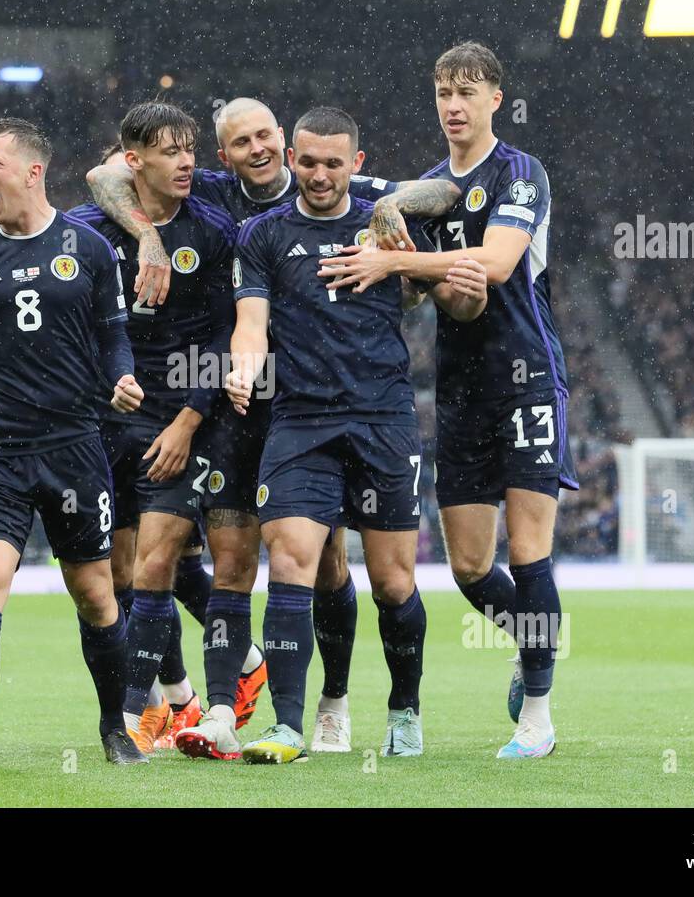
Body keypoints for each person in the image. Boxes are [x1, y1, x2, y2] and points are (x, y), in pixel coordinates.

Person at [87, 97, 452, 753]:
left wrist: (395, 214)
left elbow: (444, 190)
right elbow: (107, 175)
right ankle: (210, 710)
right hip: (254, 406)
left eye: (263, 136)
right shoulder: (219, 199)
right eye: (241, 142)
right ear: (225, 156)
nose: (256, 149)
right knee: (225, 559)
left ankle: (337, 701)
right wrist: (147, 235)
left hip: (352, 405)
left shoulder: (358, 193)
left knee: (342, 568)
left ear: (283, 139)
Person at [321, 42, 576, 758]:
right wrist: (401, 269)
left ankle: (537, 716)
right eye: (443, 92)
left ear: (496, 99)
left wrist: (396, 259)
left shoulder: (519, 173)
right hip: (460, 388)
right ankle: (535, 642)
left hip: (526, 376)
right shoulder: (428, 189)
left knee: (529, 551)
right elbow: (423, 295)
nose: (454, 106)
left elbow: (494, 264)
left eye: (467, 92)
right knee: (468, 567)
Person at [216, 106, 487, 764]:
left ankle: (404, 708)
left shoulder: (382, 218)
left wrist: (392, 224)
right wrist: (243, 366)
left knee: (393, 581)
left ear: (356, 164)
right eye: (307, 161)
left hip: (382, 419)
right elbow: (250, 322)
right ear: (292, 158)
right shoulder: (262, 234)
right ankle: (287, 725)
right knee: (291, 561)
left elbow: (448, 191)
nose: (318, 175)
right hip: (300, 422)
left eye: (333, 164)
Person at [0, 117, 147, 769]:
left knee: (96, 594)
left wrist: (122, 377)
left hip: (74, 448)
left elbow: (113, 336)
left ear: (32, 171)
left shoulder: (89, 250)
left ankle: (115, 729)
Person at [68, 101, 255, 755]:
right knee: (116, 573)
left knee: (157, 562)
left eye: (189, 150)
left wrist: (187, 420)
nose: (185, 163)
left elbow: (226, 333)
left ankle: (134, 713)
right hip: (105, 415)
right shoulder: (85, 232)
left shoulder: (213, 226)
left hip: (183, 413)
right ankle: (176, 700)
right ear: (133, 160)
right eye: (170, 152)